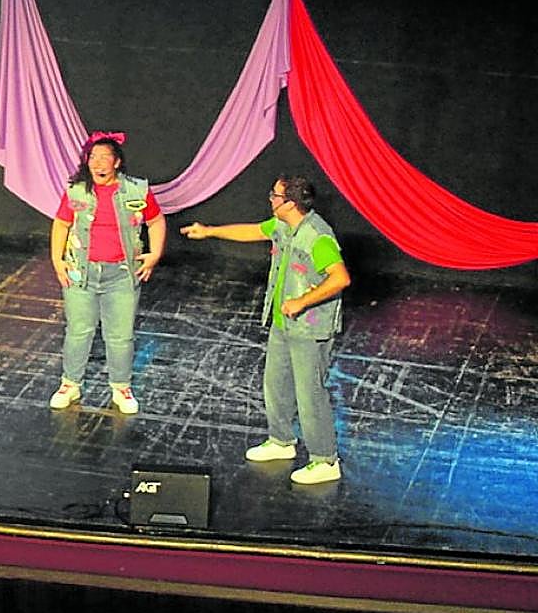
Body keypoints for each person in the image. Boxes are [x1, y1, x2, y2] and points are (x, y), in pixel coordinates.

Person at [180, 176, 350, 485]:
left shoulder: (317, 236)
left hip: (309, 329)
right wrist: (209, 231)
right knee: (276, 384)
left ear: (290, 203)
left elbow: (339, 278)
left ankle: (325, 460)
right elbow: (253, 231)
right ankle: (281, 441)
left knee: (310, 394)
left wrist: (302, 300)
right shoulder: (283, 226)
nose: (270, 199)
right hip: (283, 324)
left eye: (275, 195)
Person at [49, 131, 166, 415]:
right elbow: (61, 224)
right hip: (81, 272)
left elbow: (156, 221)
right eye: (93, 157)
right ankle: (70, 384)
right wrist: (57, 260)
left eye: (105, 158)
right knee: (78, 331)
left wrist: (154, 255)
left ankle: (121, 387)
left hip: (122, 273)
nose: (98, 163)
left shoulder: (136, 190)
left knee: (121, 335)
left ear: (116, 162)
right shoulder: (77, 191)